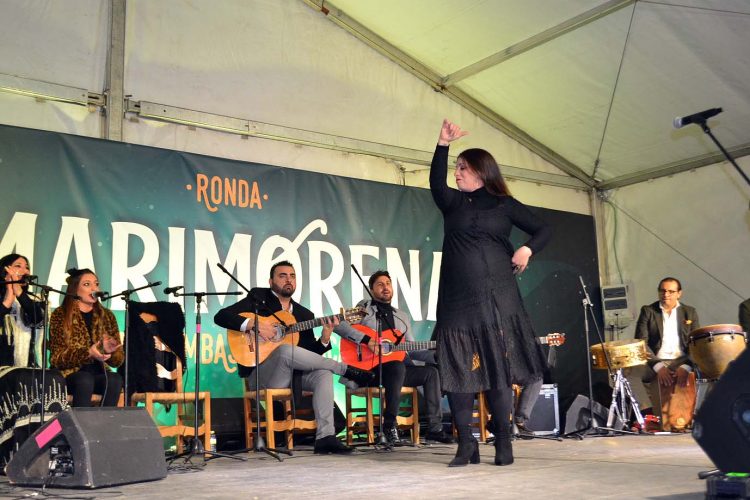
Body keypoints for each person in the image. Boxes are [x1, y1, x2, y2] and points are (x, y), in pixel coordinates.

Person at [429, 119, 552, 467]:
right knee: (457, 373)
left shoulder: (505, 205)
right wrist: (442, 145)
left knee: (498, 370)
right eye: (456, 167)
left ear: (482, 171)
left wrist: (527, 250)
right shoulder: (453, 203)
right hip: (457, 300)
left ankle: (503, 442)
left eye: (462, 168)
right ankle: (466, 444)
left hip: (499, 298)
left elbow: (543, 229)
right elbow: (435, 183)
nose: (457, 173)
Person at [213, 260, 374, 454]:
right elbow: (221, 316)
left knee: (322, 372)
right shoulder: (258, 298)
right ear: (271, 281)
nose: (288, 280)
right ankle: (344, 369)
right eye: (282, 276)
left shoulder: (304, 314)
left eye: (292, 276)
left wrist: (324, 337)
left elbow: (307, 356)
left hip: (290, 377)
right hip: (261, 375)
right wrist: (254, 324)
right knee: (283, 350)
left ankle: (325, 437)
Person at [334, 270, 455, 446]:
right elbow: (339, 325)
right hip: (368, 371)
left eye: (388, 284)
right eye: (380, 284)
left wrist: (438, 354)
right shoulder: (364, 308)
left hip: (396, 371)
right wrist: (367, 340)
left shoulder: (402, 317)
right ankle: (389, 425)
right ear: (371, 289)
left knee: (431, 372)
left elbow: (412, 350)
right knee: (397, 366)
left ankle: (435, 429)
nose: (385, 287)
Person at [1, 254, 68, 468]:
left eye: (27, 267)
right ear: (5, 270)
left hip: (28, 367)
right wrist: (8, 298)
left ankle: (49, 451)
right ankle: (10, 455)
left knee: (54, 377)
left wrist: (20, 293)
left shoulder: (35, 300)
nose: (25, 270)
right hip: (4, 367)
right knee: (19, 377)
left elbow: (37, 320)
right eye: (18, 266)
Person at [49, 268, 124, 407]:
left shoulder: (107, 316)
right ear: (75, 289)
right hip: (70, 374)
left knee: (114, 379)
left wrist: (109, 351)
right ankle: (80, 427)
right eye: (87, 284)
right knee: (85, 379)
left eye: (96, 284)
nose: (94, 288)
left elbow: (117, 361)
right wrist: (88, 353)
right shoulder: (61, 314)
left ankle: (104, 426)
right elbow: (57, 358)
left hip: (98, 373)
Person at [634, 277, 700, 410]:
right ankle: (648, 413)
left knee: (710, 371)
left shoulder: (690, 312)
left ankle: (696, 414)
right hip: (655, 360)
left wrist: (686, 367)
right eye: (662, 291)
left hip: (681, 360)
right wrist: (658, 366)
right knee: (630, 374)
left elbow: (696, 343)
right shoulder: (648, 311)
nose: (666, 294)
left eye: (671, 291)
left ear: (679, 293)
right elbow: (641, 342)